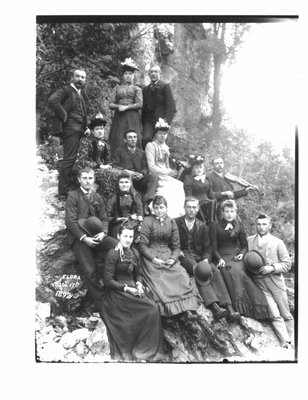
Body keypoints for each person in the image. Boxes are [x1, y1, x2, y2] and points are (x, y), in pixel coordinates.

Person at [100, 225, 165, 361]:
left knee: (153, 308)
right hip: (117, 292)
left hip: (133, 289)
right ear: (118, 237)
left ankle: (146, 350)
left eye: (131, 237)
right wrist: (127, 288)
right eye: (125, 236)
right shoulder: (113, 254)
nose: (128, 239)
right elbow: (108, 281)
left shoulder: (135, 252)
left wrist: (139, 284)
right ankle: (137, 349)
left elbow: (138, 274)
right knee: (142, 311)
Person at [175, 197, 240, 322]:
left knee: (214, 270)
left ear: (198, 208)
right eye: (189, 207)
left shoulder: (202, 226)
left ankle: (228, 307)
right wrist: (178, 251)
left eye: (194, 207)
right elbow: (172, 241)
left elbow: (208, 247)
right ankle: (214, 306)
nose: (191, 210)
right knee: (198, 270)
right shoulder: (176, 223)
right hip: (184, 256)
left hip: (199, 256)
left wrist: (206, 259)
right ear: (184, 208)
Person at [139, 195, 201, 320]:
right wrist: (154, 259)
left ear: (166, 208)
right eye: (156, 208)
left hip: (167, 254)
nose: (159, 211)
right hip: (151, 256)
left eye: (161, 208)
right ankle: (171, 313)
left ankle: (186, 310)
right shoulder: (147, 221)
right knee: (158, 280)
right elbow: (142, 246)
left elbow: (176, 246)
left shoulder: (171, 222)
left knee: (181, 275)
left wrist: (173, 258)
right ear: (153, 209)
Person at [209, 200, 271, 320]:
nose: (229, 214)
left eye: (232, 211)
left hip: (235, 255)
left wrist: (242, 254)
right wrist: (219, 259)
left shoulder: (239, 225)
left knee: (242, 270)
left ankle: (255, 307)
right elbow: (213, 247)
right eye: (226, 211)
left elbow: (244, 245)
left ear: (235, 212)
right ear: (222, 212)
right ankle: (235, 308)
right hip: (221, 256)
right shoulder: (215, 225)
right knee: (232, 271)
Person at [65, 167, 117, 308]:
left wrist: (103, 233)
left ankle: (115, 290)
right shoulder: (73, 196)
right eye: (85, 178)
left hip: (96, 234)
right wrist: (83, 238)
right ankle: (102, 304)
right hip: (79, 238)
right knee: (90, 270)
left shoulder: (97, 197)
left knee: (116, 246)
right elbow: (70, 222)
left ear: (94, 180)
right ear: (79, 180)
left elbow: (104, 218)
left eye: (90, 178)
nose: (88, 181)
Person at [246, 214, 294, 348]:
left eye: (264, 224)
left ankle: (294, 343)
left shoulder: (278, 242)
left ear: (270, 226)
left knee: (286, 314)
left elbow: (287, 264)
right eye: (259, 224)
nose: (261, 227)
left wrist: (272, 268)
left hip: (276, 283)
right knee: (274, 314)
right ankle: (286, 343)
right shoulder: (249, 240)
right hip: (260, 284)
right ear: (255, 225)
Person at [48, 68, 90, 199]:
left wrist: (86, 127)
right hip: (70, 128)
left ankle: (68, 185)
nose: (80, 79)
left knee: (73, 158)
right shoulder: (66, 90)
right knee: (69, 158)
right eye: (77, 76)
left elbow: (83, 113)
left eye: (83, 77)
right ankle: (63, 191)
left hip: (79, 129)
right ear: (72, 77)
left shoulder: (80, 93)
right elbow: (52, 101)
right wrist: (64, 115)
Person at [111, 129, 159, 215]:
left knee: (154, 176)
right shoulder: (119, 151)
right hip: (126, 179)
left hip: (139, 179)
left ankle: (146, 203)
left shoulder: (142, 152)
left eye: (135, 137)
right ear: (125, 140)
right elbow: (114, 165)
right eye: (130, 137)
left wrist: (142, 174)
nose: (133, 139)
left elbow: (146, 168)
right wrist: (125, 171)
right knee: (127, 178)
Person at [145, 118, 185, 219]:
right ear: (156, 134)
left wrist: (172, 171)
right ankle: (155, 210)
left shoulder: (166, 148)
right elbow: (152, 167)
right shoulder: (151, 145)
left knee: (179, 185)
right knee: (168, 187)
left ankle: (174, 215)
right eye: (160, 133)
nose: (162, 136)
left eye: (165, 134)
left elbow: (166, 166)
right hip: (155, 175)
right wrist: (168, 173)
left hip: (165, 174)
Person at [108, 58, 143, 156]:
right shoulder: (117, 88)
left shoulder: (137, 89)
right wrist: (118, 106)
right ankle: (116, 159)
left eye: (130, 74)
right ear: (123, 76)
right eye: (126, 74)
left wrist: (126, 107)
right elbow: (110, 104)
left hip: (132, 117)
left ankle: (135, 160)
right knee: (118, 136)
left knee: (132, 137)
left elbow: (140, 104)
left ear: (133, 76)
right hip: (119, 116)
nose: (128, 76)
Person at [141, 64, 176, 148]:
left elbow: (171, 106)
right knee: (146, 139)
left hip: (161, 121)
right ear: (149, 75)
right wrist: (143, 121)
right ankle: (145, 159)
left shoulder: (165, 86)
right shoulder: (145, 89)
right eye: (151, 72)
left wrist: (166, 121)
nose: (153, 74)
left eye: (156, 72)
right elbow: (144, 106)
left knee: (160, 143)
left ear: (160, 74)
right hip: (148, 120)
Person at [106, 172, 143, 239]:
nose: (124, 184)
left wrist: (136, 217)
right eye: (121, 182)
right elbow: (106, 217)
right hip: (118, 225)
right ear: (118, 184)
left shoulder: (136, 197)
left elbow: (140, 214)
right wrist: (117, 219)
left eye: (126, 182)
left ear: (130, 183)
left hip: (133, 225)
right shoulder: (113, 198)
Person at [183, 155, 216, 224]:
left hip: (208, 203)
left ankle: (212, 225)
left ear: (203, 168)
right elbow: (189, 195)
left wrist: (214, 202)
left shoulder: (206, 178)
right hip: (196, 204)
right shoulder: (189, 179)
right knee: (203, 219)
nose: (199, 170)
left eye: (201, 167)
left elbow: (211, 194)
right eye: (196, 168)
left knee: (213, 205)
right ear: (192, 169)